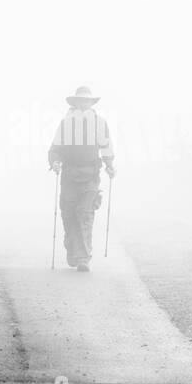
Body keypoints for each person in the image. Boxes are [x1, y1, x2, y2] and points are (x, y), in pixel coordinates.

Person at [48, 86, 115, 272]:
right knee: (69, 214)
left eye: (87, 101)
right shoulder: (65, 124)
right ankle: (72, 249)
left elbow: (106, 147)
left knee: (85, 214)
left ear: (91, 103)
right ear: (75, 102)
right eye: (80, 101)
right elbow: (55, 149)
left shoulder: (100, 123)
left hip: (91, 176)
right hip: (69, 175)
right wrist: (54, 162)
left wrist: (109, 165)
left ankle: (83, 257)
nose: (83, 104)